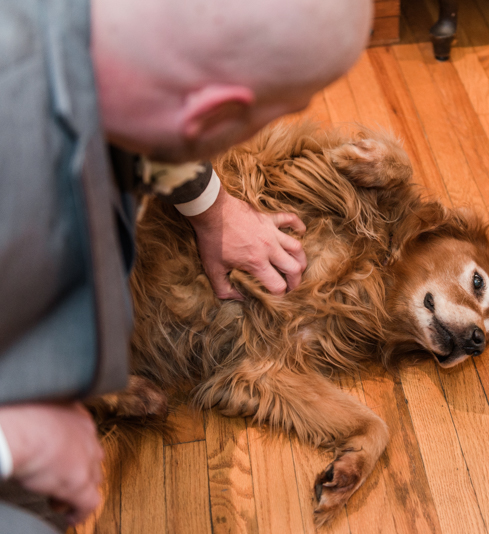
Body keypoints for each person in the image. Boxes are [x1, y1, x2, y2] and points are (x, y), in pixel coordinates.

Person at [0, 0, 373, 530]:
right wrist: (15, 442)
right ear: (211, 114)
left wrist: (213, 209)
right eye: (257, 121)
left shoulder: (103, 46)